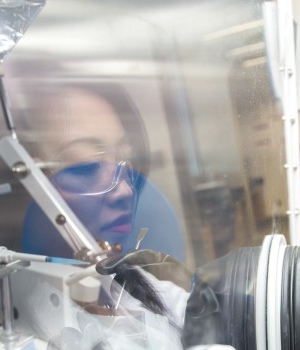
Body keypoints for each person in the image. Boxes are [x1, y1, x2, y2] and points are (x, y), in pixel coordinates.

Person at [18, 83, 186, 262]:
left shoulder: (141, 278)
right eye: (87, 168)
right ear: (30, 184)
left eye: (127, 161)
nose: (125, 191)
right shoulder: (5, 286)